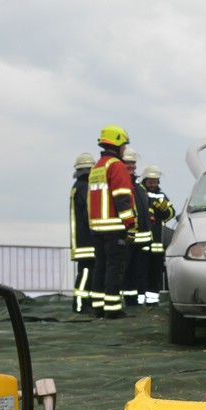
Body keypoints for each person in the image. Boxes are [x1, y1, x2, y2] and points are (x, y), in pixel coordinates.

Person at [87, 125, 136, 318]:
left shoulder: (97, 167)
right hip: (115, 227)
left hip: (97, 228)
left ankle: (98, 307)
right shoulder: (116, 165)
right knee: (115, 269)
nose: (124, 149)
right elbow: (122, 196)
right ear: (116, 144)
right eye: (123, 145)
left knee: (100, 267)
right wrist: (130, 224)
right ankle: (113, 310)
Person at [120, 148, 153, 307]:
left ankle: (133, 302)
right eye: (128, 162)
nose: (131, 165)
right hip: (127, 237)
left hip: (140, 240)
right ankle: (124, 301)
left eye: (133, 162)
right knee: (124, 272)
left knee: (135, 273)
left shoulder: (138, 187)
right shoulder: (122, 184)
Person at [141, 164, 175, 305]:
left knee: (155, 275)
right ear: (145, 181)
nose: (153, 184)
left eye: (155, 181)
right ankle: (138, 302)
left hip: (157, 244)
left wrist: (164, 210)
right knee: (141, 273)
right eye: (150, 181)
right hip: (142, 243)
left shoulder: (161, 195)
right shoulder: (140, 193)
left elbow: (170, 213)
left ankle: (153, 301)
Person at [69, 153, 97, 313]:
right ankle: (80, 305)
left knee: (87, 272)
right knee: (86, 272)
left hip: (81, 240)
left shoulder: (77, 186)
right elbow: (89, 214)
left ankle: (84, 304)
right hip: (87, 240)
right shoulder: (84, 187)